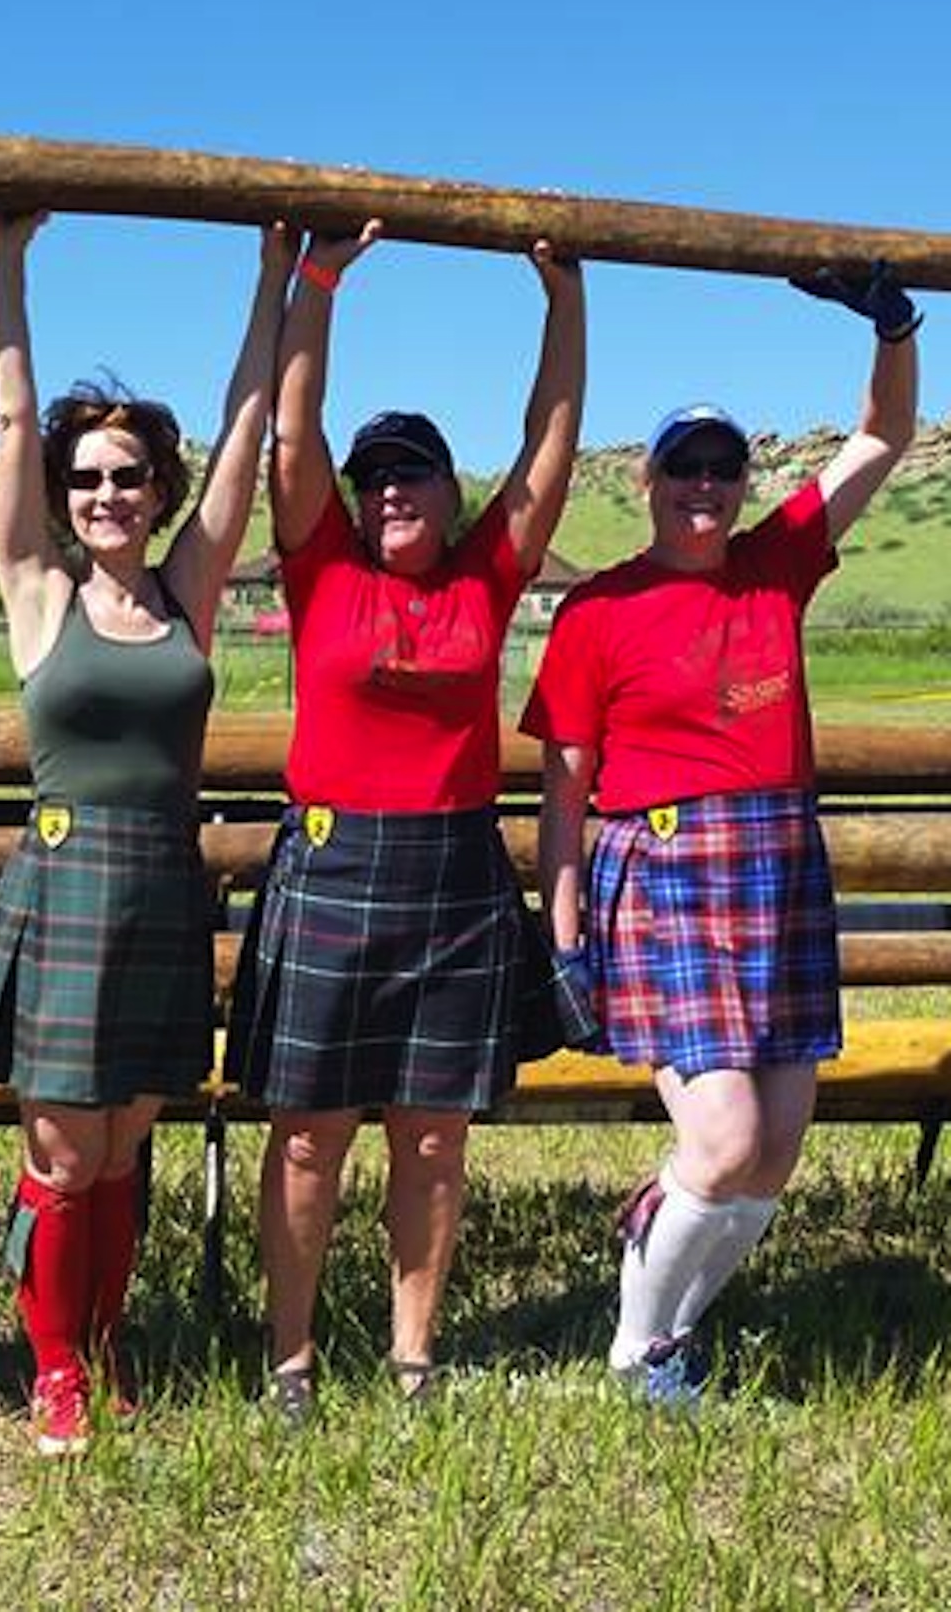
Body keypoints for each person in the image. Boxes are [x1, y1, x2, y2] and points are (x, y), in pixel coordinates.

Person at [522, 264, 921, 1405]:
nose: (704, 485)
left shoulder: (777, 562)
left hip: (776, 864)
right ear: (645, 481)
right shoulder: (597, 609)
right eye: (683, 467)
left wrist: (891, 323)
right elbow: (562, 794)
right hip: (661, 870)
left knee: (775, 1149)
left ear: (743, 483)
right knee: (723, 1137)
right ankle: (635, 1350)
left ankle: (677, 1326)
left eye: (722, 466)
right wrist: (564, 941)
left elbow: (883, 435)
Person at [226, 223, 587, 1421]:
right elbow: (295, 429)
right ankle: (290, 1359)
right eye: (374, 472)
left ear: (448, 491)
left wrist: (561, 299)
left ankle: (413, 1353)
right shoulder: (320, 561)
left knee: (433, 1139)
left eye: (412, 472)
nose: (388, 488)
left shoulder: (485, 573)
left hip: (453, 872)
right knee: (311, 1135)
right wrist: (317, 283)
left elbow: (549, 447)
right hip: (333, 865)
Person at [0, 212, 295, 1454]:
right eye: (86, 478)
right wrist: (7, 262)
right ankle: (53, 1372)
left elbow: (249, 434)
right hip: (64, 880)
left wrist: (279, 279)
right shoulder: (37, 593)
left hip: (160, 882)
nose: (106, 494)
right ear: (64, 496)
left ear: (158, 491)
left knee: (122, 1143)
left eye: (129, 476)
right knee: (60, 1145)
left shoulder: (185, 589)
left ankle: (105, 1351)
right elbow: (8, 423)